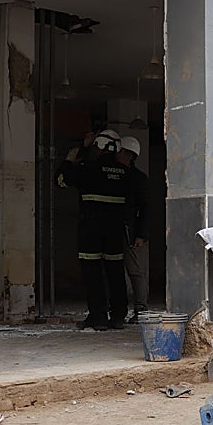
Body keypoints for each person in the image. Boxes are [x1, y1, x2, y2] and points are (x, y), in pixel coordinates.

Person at [56, 129, 131, 330]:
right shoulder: (125, 172)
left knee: (93, 272)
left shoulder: (88, 168)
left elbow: (62, 180)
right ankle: (118, 316)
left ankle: (98, 317)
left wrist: (73, 157)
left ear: (99, 146)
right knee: (115, 272)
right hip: (114, 231)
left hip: (91, 228)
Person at [117, 136, 151, 322]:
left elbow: (145, 208)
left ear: (130, 155)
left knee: (136, 271)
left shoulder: (138, 179)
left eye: (121, 152)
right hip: (120, 229)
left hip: (132, 233)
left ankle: (141, 309)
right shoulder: (120, 175)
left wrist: (141, 234)